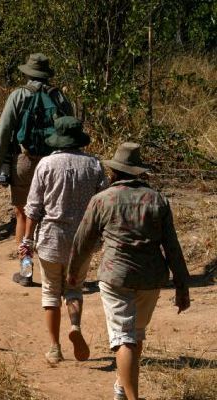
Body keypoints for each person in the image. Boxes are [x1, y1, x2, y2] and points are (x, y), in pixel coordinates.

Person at [67, 142, 191, 400]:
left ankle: (131, 397)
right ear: (139, 172)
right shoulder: (157, 199)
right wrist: (182, 285)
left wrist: (73, 272)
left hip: (116, 276)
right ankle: (121, 390)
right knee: (135, 334)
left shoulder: (102, 199)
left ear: (114, 172)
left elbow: (82, 241)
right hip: (151, 278)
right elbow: (172, 246)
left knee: (125, 338)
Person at [19, 116, 107, 365]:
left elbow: (33, 208)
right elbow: (103, 204)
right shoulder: (94, 165)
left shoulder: (46, 165)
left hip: (51, 238)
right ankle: (76, 326)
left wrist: (26, 240)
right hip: (82, 240)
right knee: (74, 289)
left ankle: (55, 347)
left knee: (50, 292)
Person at [0, 53, 73, 286]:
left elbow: (2, 135)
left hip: (24, 161)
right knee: (52, 216)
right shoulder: (60, 98)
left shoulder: (18, 96)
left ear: (27, 73)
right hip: (55, 163)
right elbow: (71, 130)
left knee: (23, 214)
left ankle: (26, 271)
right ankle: (57, 273)